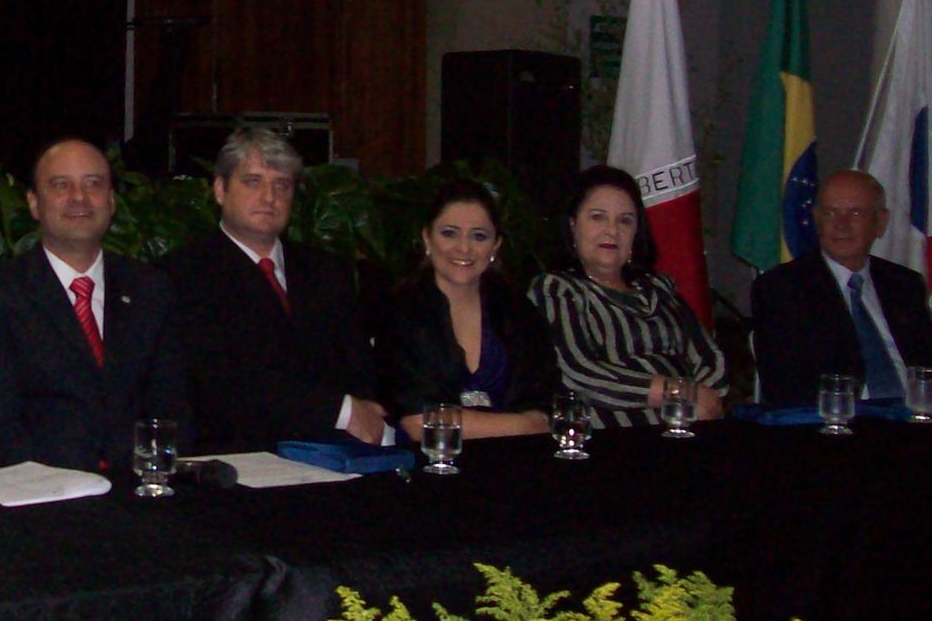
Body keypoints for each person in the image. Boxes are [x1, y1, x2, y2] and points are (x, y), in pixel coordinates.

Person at [0, 138, 186, 471]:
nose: (79, 197)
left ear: (111, 201)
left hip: (139, 485)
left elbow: (172, 409)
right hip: (40, 490)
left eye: (93, 184)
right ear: (34, 204)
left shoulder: (151, 289)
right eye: (61, 185)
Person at [163, 125, 383, 451]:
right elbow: (219, 385)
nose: (270, 197)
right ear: (220, 190)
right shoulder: (182, 274)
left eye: (282, 185)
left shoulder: (326, 270)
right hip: (237, 459)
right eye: (253, 182)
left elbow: (360, 369)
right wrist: (341, 410)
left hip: (335, 454)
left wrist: (365, 412)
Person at [529, 165, 727, 427]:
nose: (612, 230)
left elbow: (710, 358)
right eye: (597, 217)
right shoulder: (556, 289)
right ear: (573, 225)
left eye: (625, 220)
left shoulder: (659, 289)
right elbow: (578, 372)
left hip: (686, 429)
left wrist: (702, 403)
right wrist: (676, 393)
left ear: (636, 232)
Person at [380, 177, 558, 439]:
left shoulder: (520, 311)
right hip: (426, 459)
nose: (464, 248)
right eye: (449, 233)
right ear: (427, 238)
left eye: (478, 236)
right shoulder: (399, 311)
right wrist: (522, 425)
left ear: (495, 246)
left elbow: (544, 409)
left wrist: (530, 425)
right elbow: (419, 423)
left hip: (516, 458)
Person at [750, 169, 932, 405]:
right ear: (817, 220)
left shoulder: (903, 284)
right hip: (838, 419)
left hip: (917, 416)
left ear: (881, 222)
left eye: (855, 213)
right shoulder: (782, 288)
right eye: (830, 213)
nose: (841, 225)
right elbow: (785, 385)